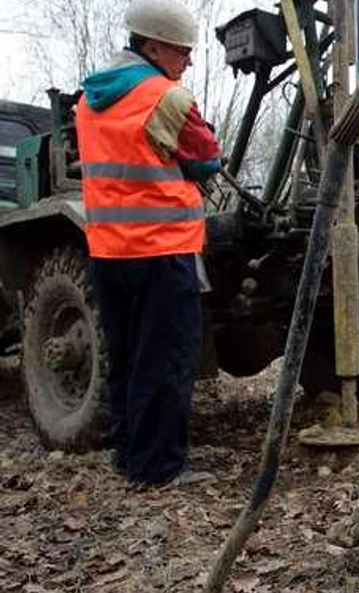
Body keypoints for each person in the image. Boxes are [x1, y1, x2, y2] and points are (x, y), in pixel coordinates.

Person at [75, 0, 221, 485]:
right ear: (153, 46)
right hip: (162, 248)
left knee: (129, 356)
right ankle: (158, 468)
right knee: (167, 358)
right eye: (182, 52)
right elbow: (205, 159)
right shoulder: (166, 98)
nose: (188, 62)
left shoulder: (89, 101)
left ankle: (129, 455)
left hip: (108, 250)